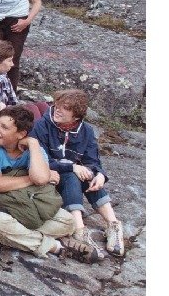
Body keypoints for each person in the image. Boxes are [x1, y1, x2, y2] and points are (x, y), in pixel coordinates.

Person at [0, 106, 100, 262]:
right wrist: (32, 178)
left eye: (4, 127)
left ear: (21, 134)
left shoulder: (33, 148)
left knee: (68, 222)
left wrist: (33, 144)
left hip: (22, 202)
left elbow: (40, 179)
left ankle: (14, 238)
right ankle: (56, 246)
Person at [32, 89, 125, 257]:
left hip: (72, 178)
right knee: (71, 175)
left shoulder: (86, 130)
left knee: (89, 176)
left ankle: (113, 224)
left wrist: (99, 174)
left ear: (76, 116)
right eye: (57, 105)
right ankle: (79, 229)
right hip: (50, 178)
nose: (58, 110)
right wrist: (72, 167)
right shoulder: (42, 125)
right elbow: (41, 160)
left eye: (65, 108)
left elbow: (92, 160)